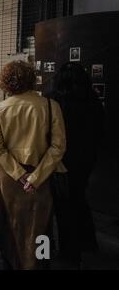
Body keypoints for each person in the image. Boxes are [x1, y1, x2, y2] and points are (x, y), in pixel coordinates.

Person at [0, 61, 66, 269]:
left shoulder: (0, 108)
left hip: (9, 178)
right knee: (41, 225)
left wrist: (19, 173)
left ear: (6, 81)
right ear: (32, 78)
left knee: (8, 224)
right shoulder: (50, 106)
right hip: (42, 176)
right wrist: (35, 177)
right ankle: (40, 263)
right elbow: (58, 147)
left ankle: (9, 263)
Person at [49, 62, 105, 267]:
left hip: (61, 161)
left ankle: (69, 252)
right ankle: (88, 242)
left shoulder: (55, 102)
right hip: (86, 160)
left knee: (63, 208)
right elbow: (100, 132)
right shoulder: (93, 100)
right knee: (79, 199)